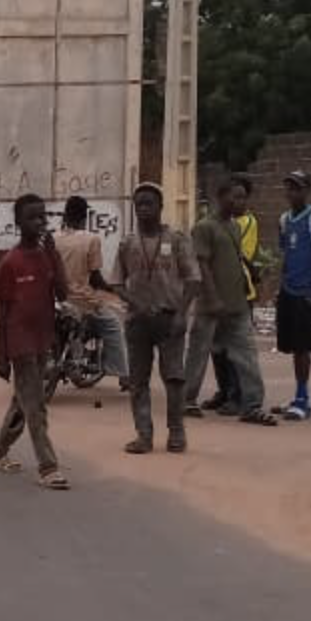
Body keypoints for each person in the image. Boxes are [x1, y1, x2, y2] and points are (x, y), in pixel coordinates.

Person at [109, 184, 199, 454]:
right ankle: (144, 435)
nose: (143, 209)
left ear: (160, 207)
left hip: (169, 319)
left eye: (149, 203)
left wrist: (183, 314)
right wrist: (136, 303)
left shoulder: (178, 240)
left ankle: (176, 433)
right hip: (138, 321)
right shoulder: (128, 243)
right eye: (139, 204)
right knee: (138, 381)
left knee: (173, 378)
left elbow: (194, 280)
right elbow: (116, 283)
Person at [0, 194, 69, 489]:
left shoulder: (47, 256)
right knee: (35, 405)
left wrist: (55, 256)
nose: (39, 223)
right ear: (19, 222)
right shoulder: (11, 262)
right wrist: (2, 356)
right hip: (19, 342)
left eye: (42, 217)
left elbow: (62, 294)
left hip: (42, 340)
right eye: (33, 217)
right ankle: (48, 466)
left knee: (23, 401)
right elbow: (2, 314)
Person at [186, 179, 274, 426]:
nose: (242, 202)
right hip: (210, 305)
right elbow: (202, 265)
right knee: (199, 353)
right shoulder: (205, 228)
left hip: (236, 304)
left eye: (244, 197)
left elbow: (239, 258)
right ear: (221, 197)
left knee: (247, 355)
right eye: (236, 197)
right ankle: (186, 399)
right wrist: (213, 298)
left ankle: (252, 405)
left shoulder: (235, 227)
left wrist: (252, 280)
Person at [273, 170, 311, 421]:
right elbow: (286, 254)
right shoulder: (284, 220)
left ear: (307, 190)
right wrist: (280, 286)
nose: (291, 193)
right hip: (288, 289)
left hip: (306, 291)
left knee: (302, 348)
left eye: (297, 188)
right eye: (289, 188)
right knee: (289, 345)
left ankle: (302, 398)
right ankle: (297, 396)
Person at [53, 195, 130, 387]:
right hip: (81, 300)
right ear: (85, 216)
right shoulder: (91, 240)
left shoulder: (53, 238)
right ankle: (124, 375)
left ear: (65, 215)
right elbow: (95, 279)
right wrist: (113, 289)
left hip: (55, 298)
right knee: (113, 326)